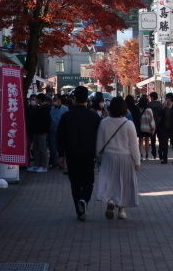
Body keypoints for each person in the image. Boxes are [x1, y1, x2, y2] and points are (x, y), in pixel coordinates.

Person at [57, 86, 101, 221]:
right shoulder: (93, 116)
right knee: (88, 181)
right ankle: (84, 200)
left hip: (71, 153)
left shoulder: (66, 116)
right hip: (89, 154)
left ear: (74, 97)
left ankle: (79, 207)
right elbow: (99, 136)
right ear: (87, 98)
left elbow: (60, 136)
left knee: (75, 182)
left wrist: (61, 154)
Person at [96, 96, 141, 220]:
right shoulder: (128, 124)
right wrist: (137, 161)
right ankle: (121, 210)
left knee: (109, 180)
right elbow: (133, 145)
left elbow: (99, 143)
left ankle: (110, 200)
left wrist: (98, 157)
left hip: (109, 156)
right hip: (125, 157)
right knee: (123, 183)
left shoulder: (104, 122)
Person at [27, 93, 52, 173]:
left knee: (42, 148)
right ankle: (36, 165)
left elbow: (45, 121)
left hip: (41, 132)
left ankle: (43, 166)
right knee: (36, 148)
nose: (35, 101)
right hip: (37, 131)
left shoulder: (45, 109)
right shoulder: (39, 108)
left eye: (37, 99)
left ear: (40, 100)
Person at [48, 95, 68, 169]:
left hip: (62, 131)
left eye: (55, 99)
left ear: (59, 100)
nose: (54, 101)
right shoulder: (51, 109)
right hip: (53, 130)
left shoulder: (65, 109)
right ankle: (55, 162)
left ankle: (61, 162)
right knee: (53, 147)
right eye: (53, 99)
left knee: (62, 148)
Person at [147, 92, 164, 160]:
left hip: (151, 124)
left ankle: (153, 153)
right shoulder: (160, 105)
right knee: (160, 139)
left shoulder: (149, 105)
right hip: (159, 123)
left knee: (152, 139)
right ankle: (160, 152)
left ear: (151, 97)